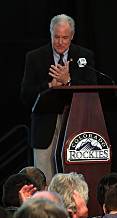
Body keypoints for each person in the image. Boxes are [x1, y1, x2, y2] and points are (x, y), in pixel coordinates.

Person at [20, 14, 97, 181]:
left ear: (72, 36)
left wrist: (68, 81)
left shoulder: (84, 56)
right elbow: (26, 95)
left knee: (72, 180)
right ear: (50, 33)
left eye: (65, 37)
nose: (60, 42)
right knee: (43, 179)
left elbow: (92, 90)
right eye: (56, 37)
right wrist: (50, 86)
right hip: (44, 128)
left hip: (75, 125)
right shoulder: (35, 57)